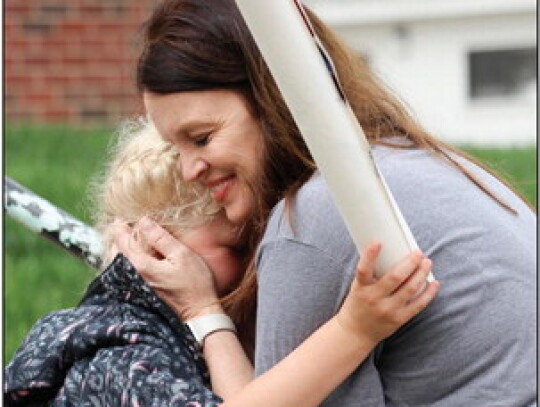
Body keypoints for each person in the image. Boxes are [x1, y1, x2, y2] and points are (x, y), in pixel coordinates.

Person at [125, 0, 537, 406]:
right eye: (175, 148)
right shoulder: (418, 164)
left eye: (201, 138)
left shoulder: (316, 218)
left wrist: (203, 311)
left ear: (274, 102)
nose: (188, 170)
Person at [4, 121, 437, 406]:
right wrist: (354, 330)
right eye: (236, 247)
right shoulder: (122, 361)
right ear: (157, 250)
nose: (257, 262)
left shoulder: (143, 328)